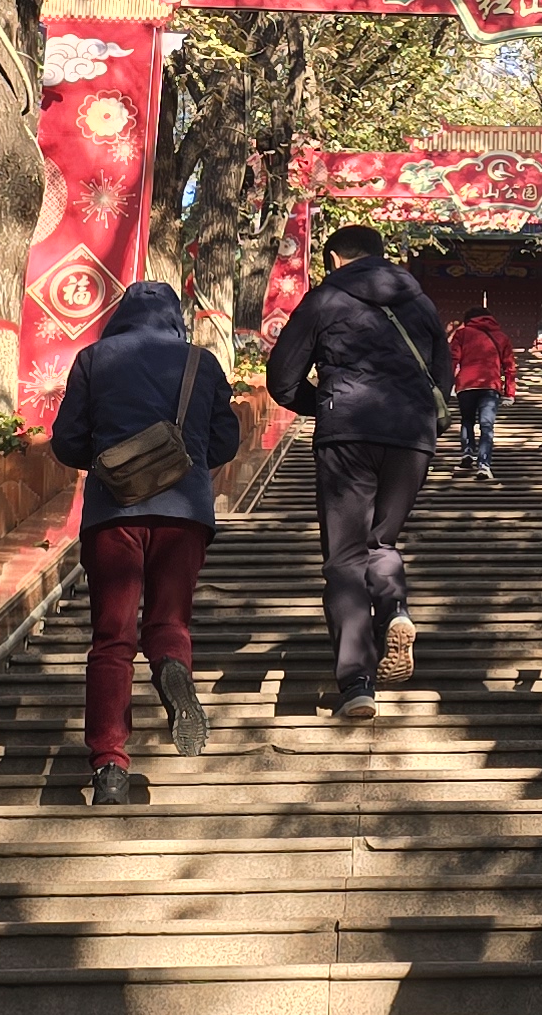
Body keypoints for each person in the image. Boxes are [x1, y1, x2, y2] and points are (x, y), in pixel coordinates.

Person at [43, 281, 242, 806]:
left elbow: (67, 441)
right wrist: (183, 458)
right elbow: (226, 441)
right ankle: (172, 665)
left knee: (112, 639)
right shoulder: (201, 362)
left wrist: (112, 455)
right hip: (184, 512)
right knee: (169, 621)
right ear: (176, 316)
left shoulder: (94, 359)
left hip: (113, 512)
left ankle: (110, 764)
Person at [265, 223, 451, 718]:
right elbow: (443, 377)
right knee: (381, 542)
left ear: (332, 258)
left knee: (346, 557)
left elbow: (282, 378)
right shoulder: (420, 301)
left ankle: (356, 683)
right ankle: (394, 610)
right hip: (411, 436)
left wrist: (327, 404)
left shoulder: (325, 298)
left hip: (347, 434)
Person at [448, 300, 517, 478]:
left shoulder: (462, 334)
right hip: (490, 385)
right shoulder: (501, 337)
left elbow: (453, 359)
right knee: (487, 425)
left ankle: (467, 451)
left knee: (467, 421)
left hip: (466, 385)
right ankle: (484, 464)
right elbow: (509, 367)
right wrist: (509, 392)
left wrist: (448, 383)